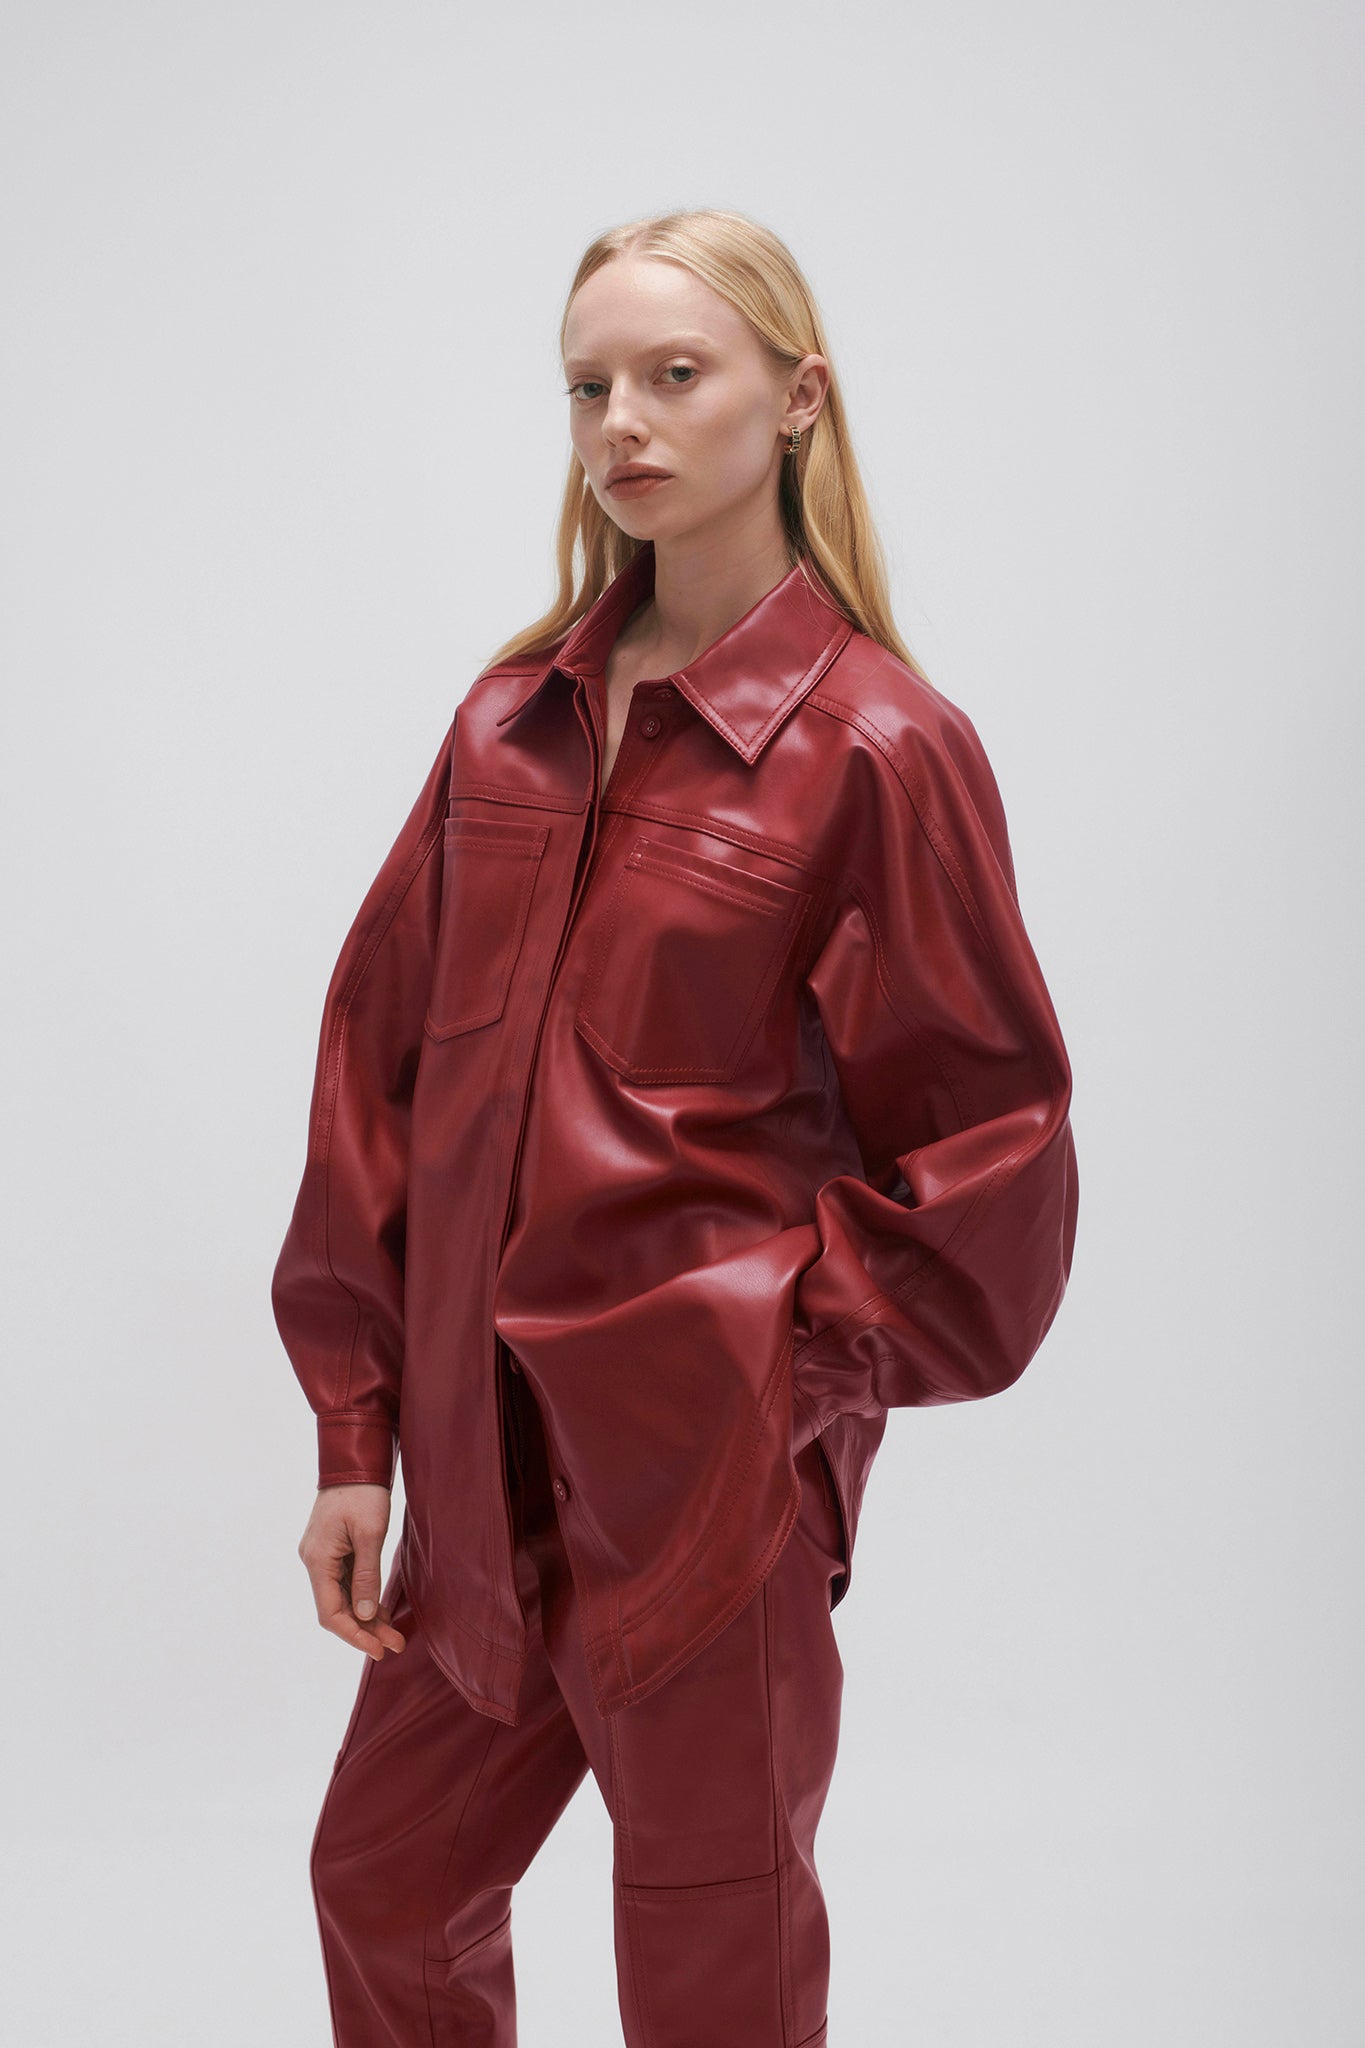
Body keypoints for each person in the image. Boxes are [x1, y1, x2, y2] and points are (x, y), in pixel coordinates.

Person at [271, 205, 1079, 2048]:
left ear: (795, 399)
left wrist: (767, 1369)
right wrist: (354, 1432)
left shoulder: (877, 746)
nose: (620, 421)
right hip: (476, 1482)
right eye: (587, 386)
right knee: (383, 1888)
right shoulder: (507, 728)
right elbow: (373, 1086)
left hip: (705, 1507)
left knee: (711, 1967)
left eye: (673, 373)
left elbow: (998, 1152)